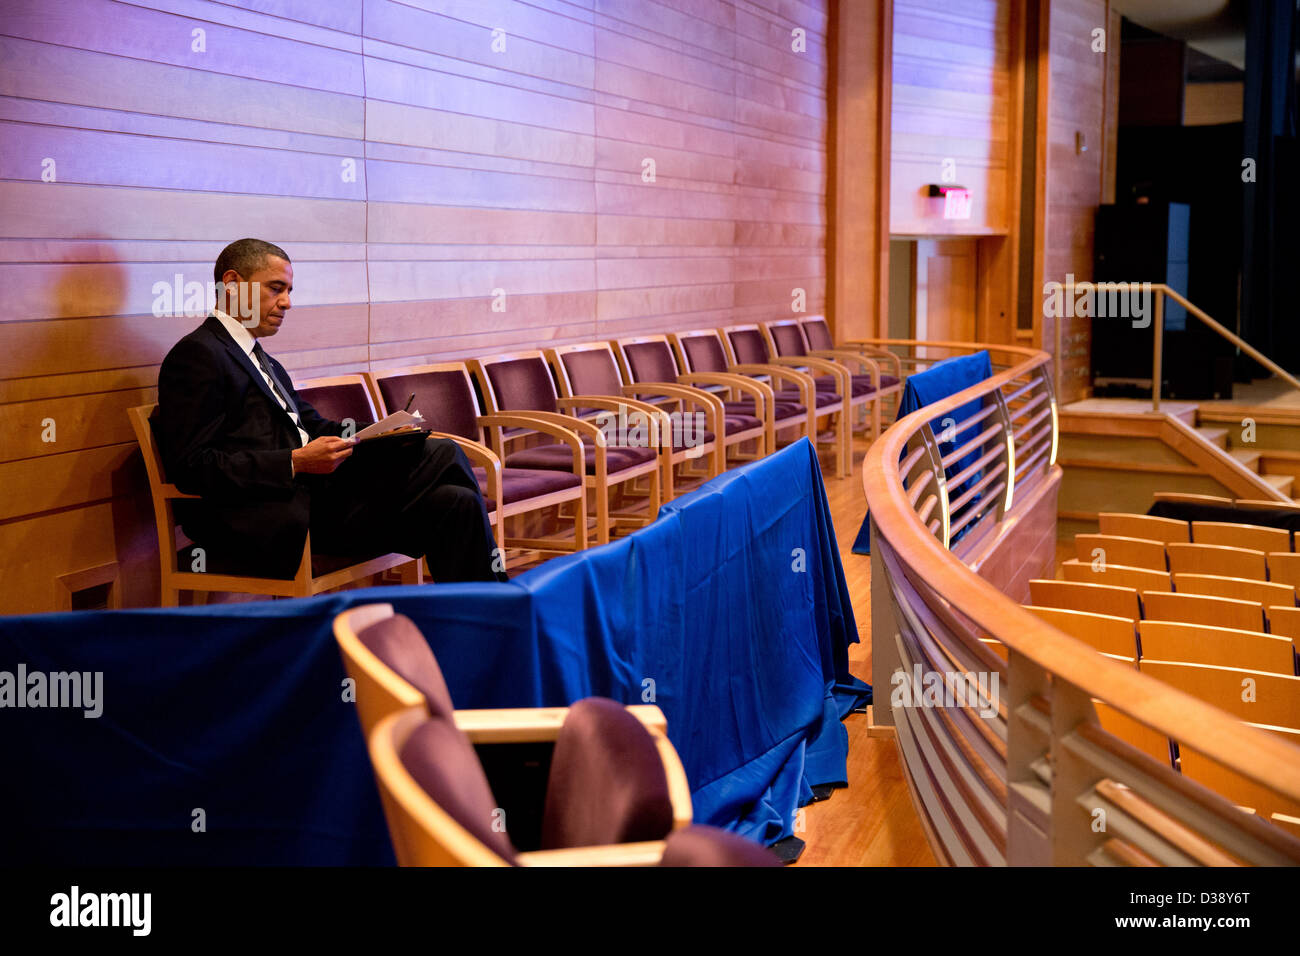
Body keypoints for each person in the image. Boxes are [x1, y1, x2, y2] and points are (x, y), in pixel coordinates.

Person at [156, 238, 504, 583]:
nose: (287, 303)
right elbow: (192, 466)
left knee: (456, 502)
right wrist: (295, 462)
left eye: (289, 290)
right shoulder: (198, 356)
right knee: (443, 452)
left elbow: (313, 425)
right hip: (269, 512)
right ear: (231, 285)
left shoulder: (263, 359)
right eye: (276, 289)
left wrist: (381, 431)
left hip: (318, 500)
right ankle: (506, 611)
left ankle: (481, 622)